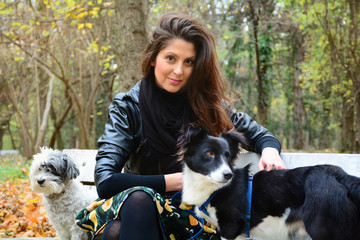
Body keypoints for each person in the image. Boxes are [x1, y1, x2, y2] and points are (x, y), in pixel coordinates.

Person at [76, 12, 286, 240]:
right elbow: (106, 181)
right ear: (153, 57)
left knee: (115, 233)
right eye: (170, 58)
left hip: (193, 217)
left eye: (189, 62)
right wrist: (173, 181)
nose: (178, 71)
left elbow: (259, 134)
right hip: (142, 213)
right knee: (138, 201)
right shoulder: (128, 107)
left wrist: (270, 150)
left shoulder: (209, 105)